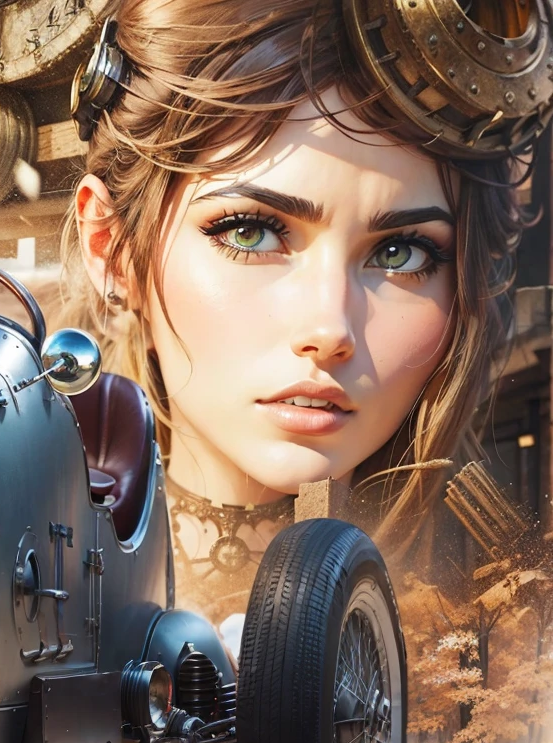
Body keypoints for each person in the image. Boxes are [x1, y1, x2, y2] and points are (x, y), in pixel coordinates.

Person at [64, 0, 540, 624]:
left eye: (400, 253)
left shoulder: (513, 627)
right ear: (113, 248)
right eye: (251, 233)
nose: (329, 329)